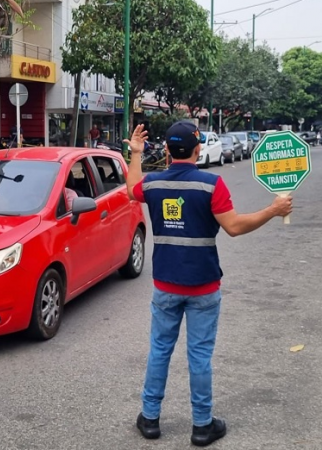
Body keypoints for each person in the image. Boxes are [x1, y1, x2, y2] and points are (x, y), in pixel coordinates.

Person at [124, 122, 292, 447]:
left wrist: (135, 154)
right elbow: (235, 227)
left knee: (160, 350)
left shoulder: (153, 183)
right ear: (198, 150)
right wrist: (273, 210)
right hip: (203, 287)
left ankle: (150, 418)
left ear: (169, 151)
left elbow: (132, 187)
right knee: (199, 356)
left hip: (165, 286)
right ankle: (202, 426)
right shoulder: (211, 184)